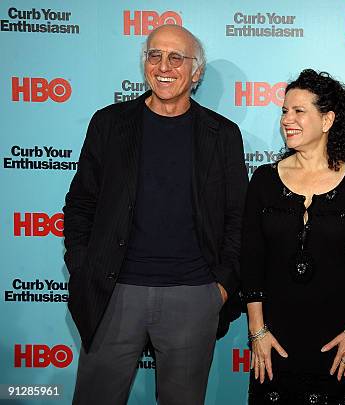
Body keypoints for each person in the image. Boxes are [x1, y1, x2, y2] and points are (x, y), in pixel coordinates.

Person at [63, 24, 247, 404]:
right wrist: (85, 268)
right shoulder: (109, 124)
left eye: (177, 57)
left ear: (196, 73)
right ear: (145, 63)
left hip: (194, 296)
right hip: (113, 293)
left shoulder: (222, 134)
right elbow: (81, 204)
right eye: (155, 54)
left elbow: (237, 217)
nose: (165, 65)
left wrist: (220, 288)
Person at [241, 69, 345, 404]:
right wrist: (257, 332)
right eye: (285, 111)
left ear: (327, 119)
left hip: (337, 339)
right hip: (274, 337)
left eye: (299, 111)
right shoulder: (263, 180)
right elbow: (250, 259)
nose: (288, 119)